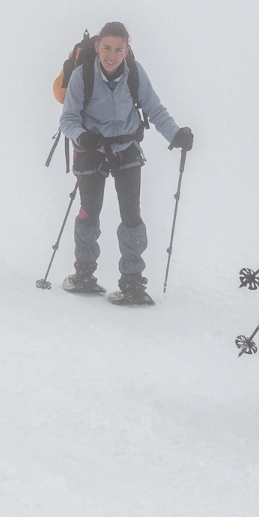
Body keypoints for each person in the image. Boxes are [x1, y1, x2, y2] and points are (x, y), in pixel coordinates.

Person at [58, 21, 193, 306]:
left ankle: (132, 280)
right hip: (91, 148)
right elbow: (68, 119)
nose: (111, 55)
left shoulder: (135, 73)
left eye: (119, 49)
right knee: (89, 210)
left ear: (126, 50)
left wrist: (176, 134)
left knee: (132, 214)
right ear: (97, 47)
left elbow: (154, 109)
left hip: (126, 147)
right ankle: (84, 273)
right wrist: (83, 138)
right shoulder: (83, 75)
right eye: (106, 47)